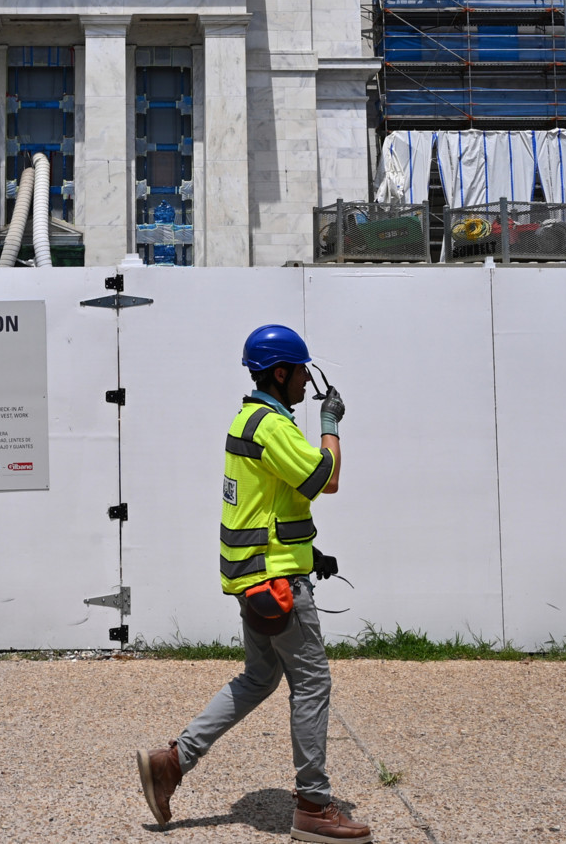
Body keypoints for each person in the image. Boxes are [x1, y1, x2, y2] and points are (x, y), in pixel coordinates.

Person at [135, 325, 372, 842]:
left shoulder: (247, 419)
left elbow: (267, 506)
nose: (307, 380)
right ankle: (313, 806)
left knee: (259, 678)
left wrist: (310, 553)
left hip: (255, 579)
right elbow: (326, 478)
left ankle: (172, 762)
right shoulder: (272, 426)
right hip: (278, 584)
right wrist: (331, 424)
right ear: (281, 373)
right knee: (312, 684)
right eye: (302, 370)